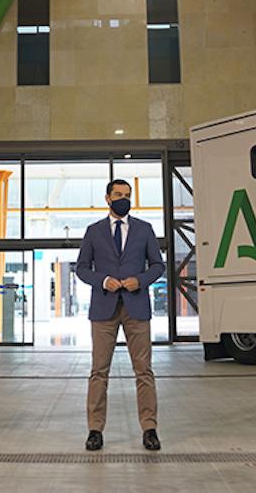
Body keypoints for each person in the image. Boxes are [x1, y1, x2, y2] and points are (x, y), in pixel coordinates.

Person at [74, 178, 166, 451]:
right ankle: (95, 430)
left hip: (137, 306)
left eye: (127, 195)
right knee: (99, 371)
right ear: (107, 198)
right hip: (104, 308)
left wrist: (141, 279)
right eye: (118, 194)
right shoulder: (93, 231)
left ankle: (150, 429)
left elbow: (158, 265)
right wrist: (102, 280)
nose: (123, 198)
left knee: (144, 371)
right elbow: (81, 268)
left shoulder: (145, 229)